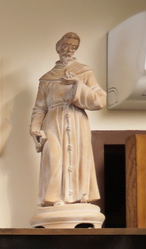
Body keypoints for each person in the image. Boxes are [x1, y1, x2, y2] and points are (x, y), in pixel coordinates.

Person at [30, 32, 107, 206]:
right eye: (65, 46)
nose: (69, 50)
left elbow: (100, 99)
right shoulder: (46, 78)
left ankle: (79, 198)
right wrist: (34, 127)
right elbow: (39, 107)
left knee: (78, 157)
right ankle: (55, 198)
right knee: (54, 156)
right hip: (53, 122)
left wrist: (77, 85)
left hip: (76, 121)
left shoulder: (84, 72)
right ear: (58, 47)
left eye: (73, 47)